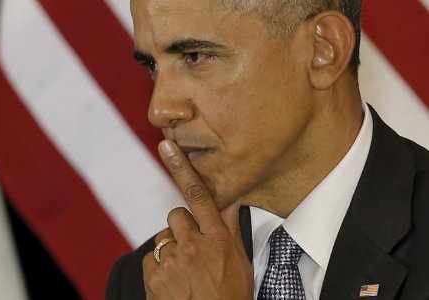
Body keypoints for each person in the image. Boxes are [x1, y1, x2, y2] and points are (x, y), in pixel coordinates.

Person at [106, 0, 429, 299]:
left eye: (196, 57)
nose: (159, 110)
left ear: (323, 49)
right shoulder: (147, 281)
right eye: (151, 65)